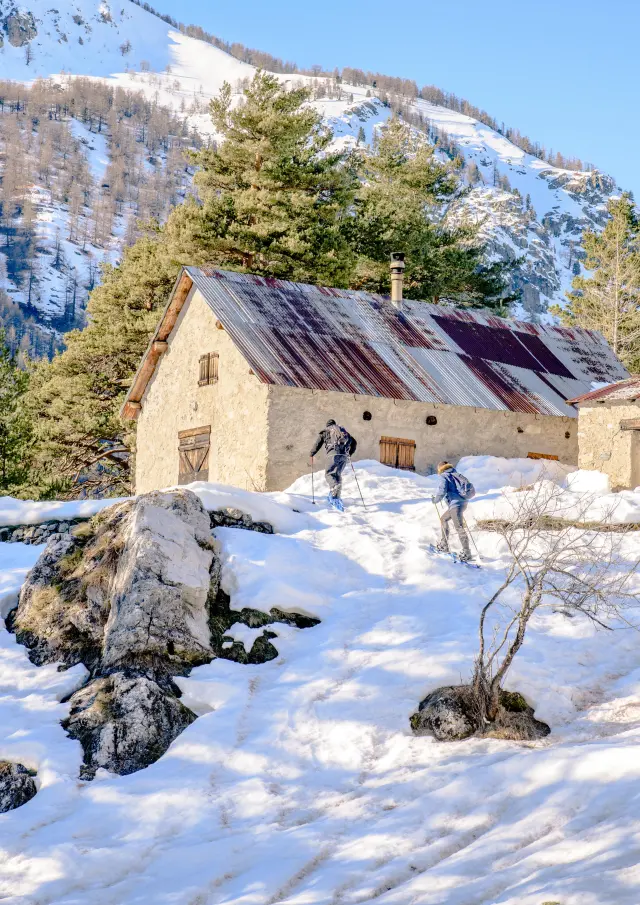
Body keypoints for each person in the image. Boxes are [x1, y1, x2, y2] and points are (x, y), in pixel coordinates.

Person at [310, 420, 357, 511]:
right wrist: (349, 454)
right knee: (337, 475)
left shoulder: (326, 431)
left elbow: (318, 444)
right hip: (343, 456)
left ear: (327, 425)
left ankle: (335, 488)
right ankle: (336, 497)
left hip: (333, 454)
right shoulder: (343, 432)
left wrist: (312, 453)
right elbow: (354, 443)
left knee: (329, 474)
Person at [432, 461, 475, 561]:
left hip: (455, 505)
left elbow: (442, 490)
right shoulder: (455, 473)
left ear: (440, 468)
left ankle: (466, 552)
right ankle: (444, 544)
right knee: (443, 519)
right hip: (462, 503)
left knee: (459, 528)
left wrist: (435, 500)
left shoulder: (444, 476)